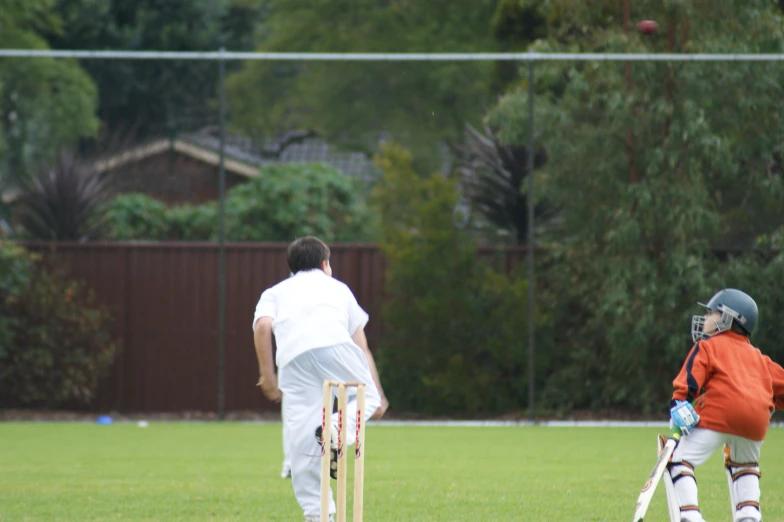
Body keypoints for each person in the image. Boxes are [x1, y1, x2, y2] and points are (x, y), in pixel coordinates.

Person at [252, 236, 389, 522]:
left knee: (302, 439)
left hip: (292, 359)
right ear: (325, 264)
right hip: (333, 347)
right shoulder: (338, 288)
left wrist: (267, 376)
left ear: (292, 267)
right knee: (367, 396)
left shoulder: (275, 292)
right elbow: (360, 345)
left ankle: (318, 515)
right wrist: (378, 394)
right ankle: (337, 429)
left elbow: (264, 326)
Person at [667, 288, 784, 522]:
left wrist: (680, 402)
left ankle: (690, 515)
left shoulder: (709, 346)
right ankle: (749, 515)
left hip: (720, 415)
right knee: (745, 466)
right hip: (756, 424)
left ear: (729, 318)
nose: (707, 318)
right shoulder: (762, 359)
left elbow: (690, 379)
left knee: (679, 461)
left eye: (711, 313)